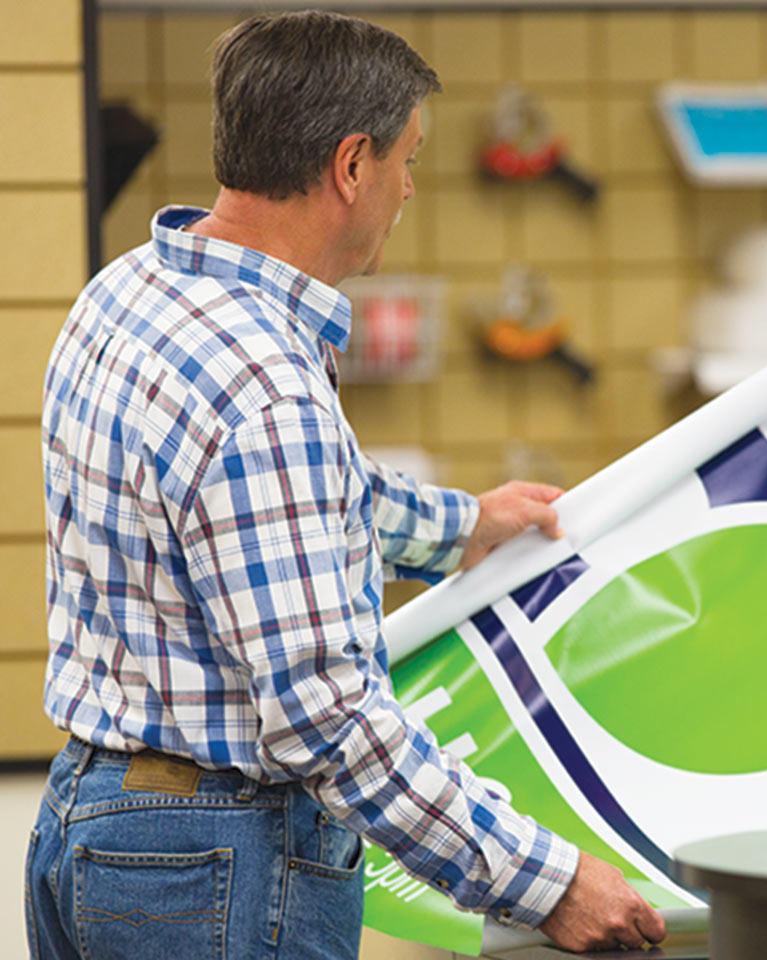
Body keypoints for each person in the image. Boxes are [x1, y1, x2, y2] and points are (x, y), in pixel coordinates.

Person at [27, 11, 665, 959]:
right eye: (407, 159)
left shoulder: (127, 292)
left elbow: (285, 498)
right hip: (214, 868)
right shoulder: (264, 390)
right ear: (351, 164)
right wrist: (546, 882)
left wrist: (465, 526)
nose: (410, 188)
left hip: (90, 827)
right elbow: (328, 719)